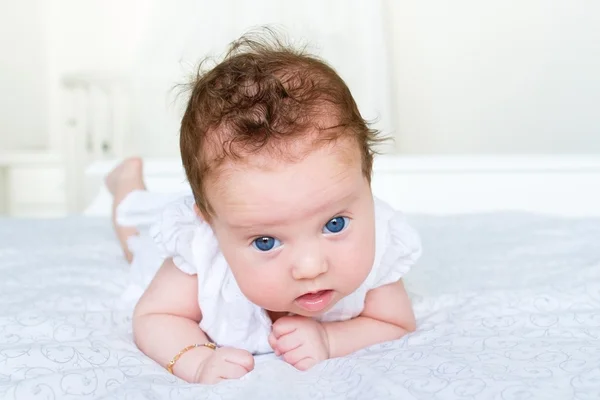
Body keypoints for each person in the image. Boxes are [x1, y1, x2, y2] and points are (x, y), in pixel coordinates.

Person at [106, 32, 422, 384]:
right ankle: (125, 186)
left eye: (334, 225)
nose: (310, 266)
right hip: (166, 244)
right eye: (266, 241)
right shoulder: (198, 254)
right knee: (136, 242)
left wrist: (330, 339)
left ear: (367, 180)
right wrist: (196, 360)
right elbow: (154, 316)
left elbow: (395, 322)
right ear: (210, 225)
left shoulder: (379, 243)